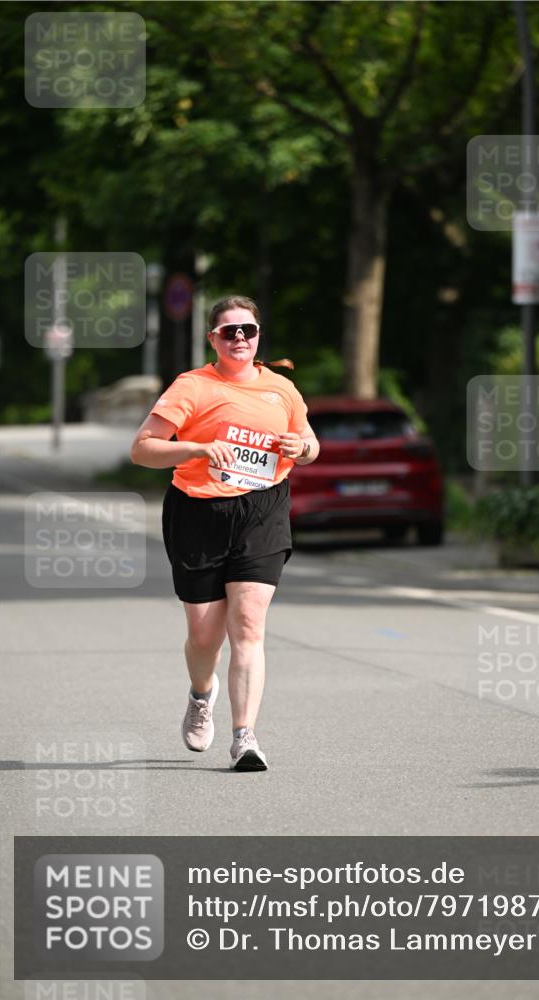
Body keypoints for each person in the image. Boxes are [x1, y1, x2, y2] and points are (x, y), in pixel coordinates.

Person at [130, 295, 319, 771]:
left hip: (263, 510)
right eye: (230, 331)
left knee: (249, 625)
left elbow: (310, 444)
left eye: (248, 331)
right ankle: (200, 695)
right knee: (204, 633)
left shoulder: (282, 390)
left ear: (258, 338)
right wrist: (197, 448)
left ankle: (245, 737)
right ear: (212, 338)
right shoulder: (191, 386)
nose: (240, 338)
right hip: (199, 512)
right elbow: (143, 449)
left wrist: (304, 446)